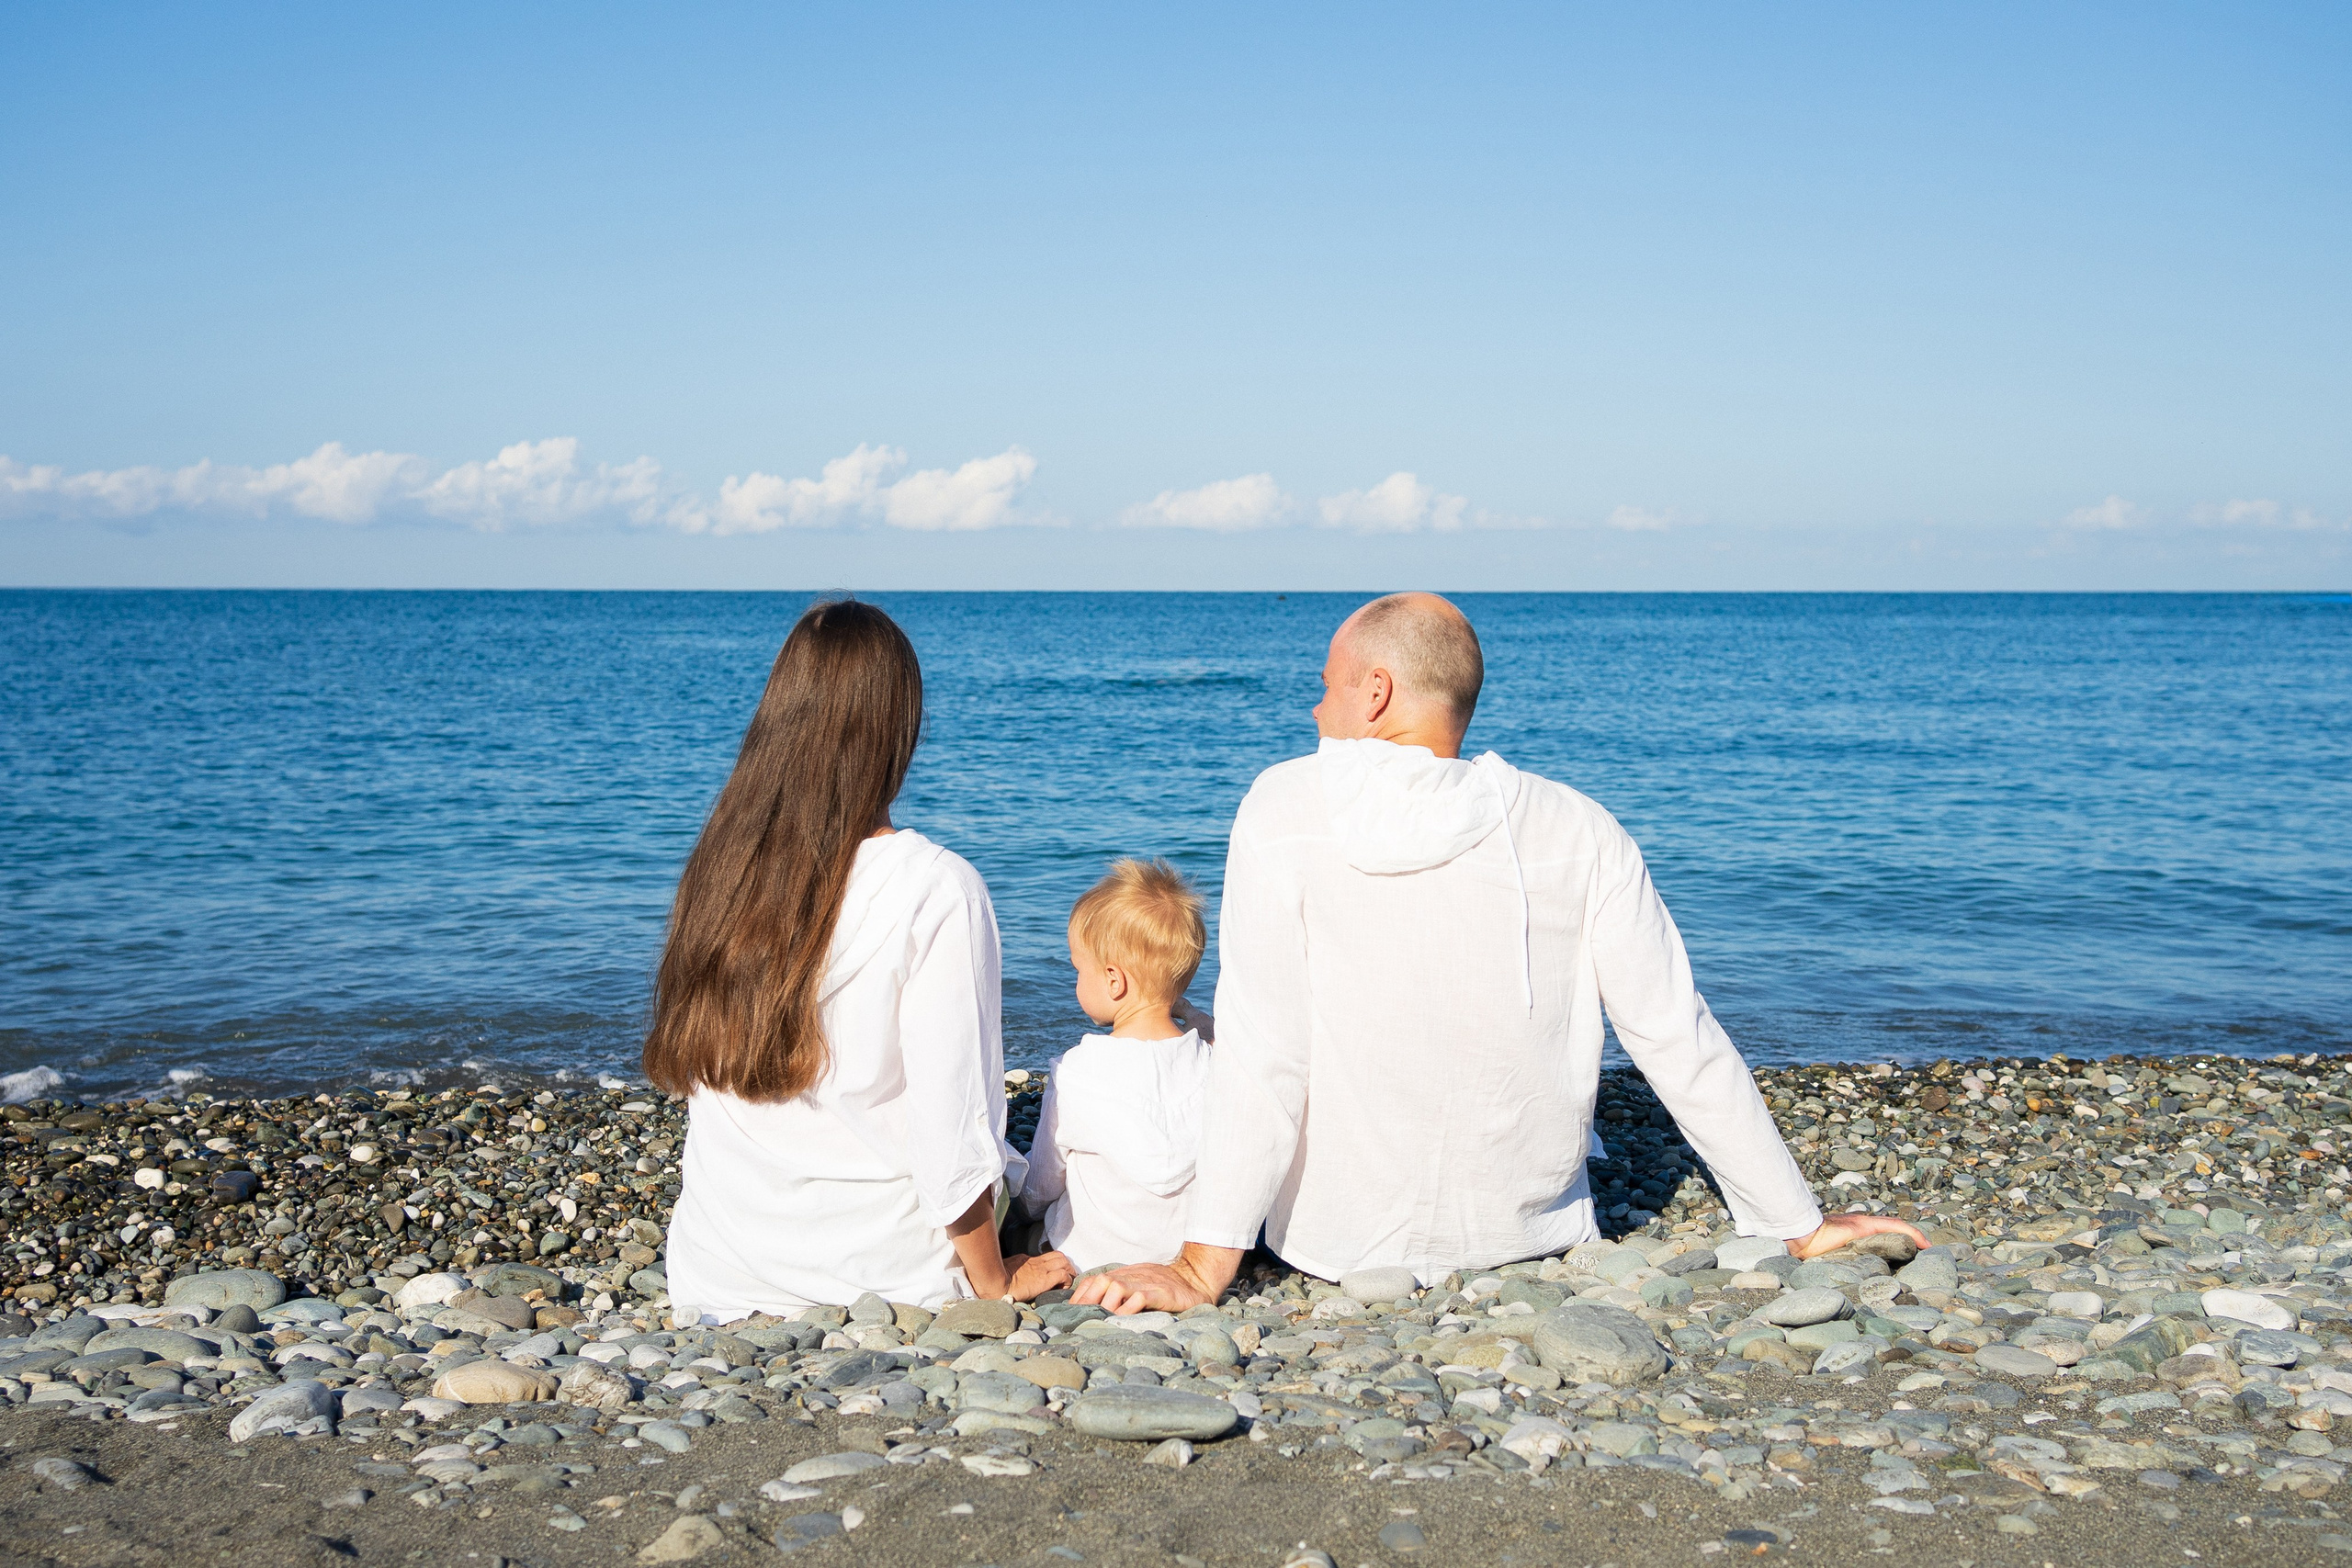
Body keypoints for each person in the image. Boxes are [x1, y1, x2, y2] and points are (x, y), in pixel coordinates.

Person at [1075, 592, 1923, 1314]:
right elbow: (1673, 1032)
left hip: (1335, 1243)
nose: (1313, 710)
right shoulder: (1577, 825)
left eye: (1326, 687)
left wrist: (1201, 1266)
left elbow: (1264, 1049)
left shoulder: (1286, 805)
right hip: (1530, 1238)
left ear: (1376, 693)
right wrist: (1796, 1222)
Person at [645, 599, 1073, 1319]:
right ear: (895, 731)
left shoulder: (723, 871)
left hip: (718, 1268)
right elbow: (951, 1125)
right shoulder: (936, 887)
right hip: (882, 1274)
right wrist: (993, 1278)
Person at [1014, 859, 1215, 1272]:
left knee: (1020, 1228)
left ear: (1113, 981)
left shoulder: (1077, 1072)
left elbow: (1040, 1189)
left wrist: (1016, 1201)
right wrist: (1194, 1017)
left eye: (1077, 969)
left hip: (1089, 1258)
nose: (1075, 982)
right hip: (1188, 1257)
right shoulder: (1213, 1064)